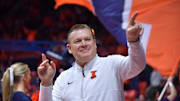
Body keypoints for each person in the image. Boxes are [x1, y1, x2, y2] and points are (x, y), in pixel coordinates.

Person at [37, 12, 146, 101]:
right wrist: (46, 83)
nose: (84, 44)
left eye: (87, 39)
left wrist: (133, 41)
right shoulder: (63, 78)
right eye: (78, 41)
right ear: (69, 48)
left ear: (94, 43)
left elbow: (138, 65)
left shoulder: (112, 63)